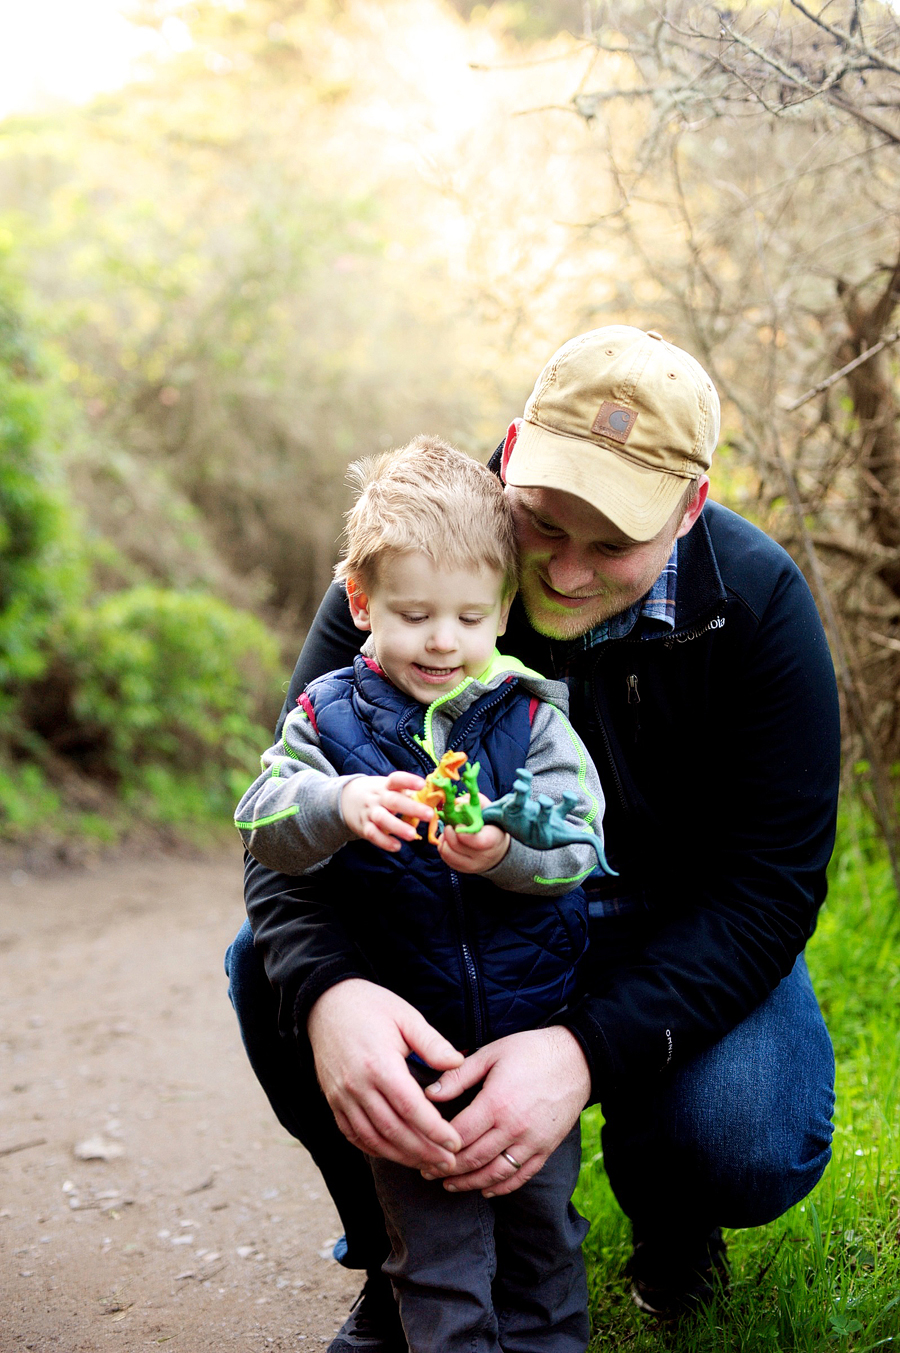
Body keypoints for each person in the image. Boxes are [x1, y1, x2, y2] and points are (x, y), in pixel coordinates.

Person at [226, 325, 840, 1349]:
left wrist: (585, 1051)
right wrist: (333, 994)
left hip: (664, 924)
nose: (563, 571)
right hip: (442, 924)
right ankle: (402, 1249)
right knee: (269, 971)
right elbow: (287, 828)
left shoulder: (757, 607)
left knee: (746, 1131)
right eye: (544, 523)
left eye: (613, 544)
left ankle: (671, 1218)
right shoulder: (413, 564)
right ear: (512, 453)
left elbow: (769, 888)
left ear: (690, 508)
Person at [234, 438, 609, 1351]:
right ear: (360, 602)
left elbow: (580, 842)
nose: (444, 640)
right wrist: (339, 802)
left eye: (471, 616)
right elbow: (262, 820)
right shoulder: (326, 716)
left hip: (523, 1037)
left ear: (505, 610)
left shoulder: (532, 715)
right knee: (435, 1259)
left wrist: (504, 849)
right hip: (410, 1053)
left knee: (543, 1249)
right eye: (414, 613)